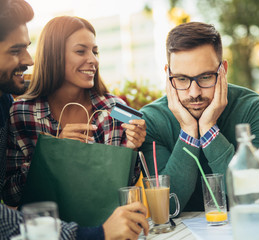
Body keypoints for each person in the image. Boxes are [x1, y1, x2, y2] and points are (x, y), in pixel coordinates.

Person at [0, 1, 149, 239]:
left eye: (95, 51)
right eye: (81, 51)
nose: (93, 60)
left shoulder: (114, 110)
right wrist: (51, 153)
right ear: (54, 55)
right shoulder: (21, 113)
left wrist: (130, 151)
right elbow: (11, 194)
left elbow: (123, 190)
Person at [140, 22, 259, 212]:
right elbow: (166, 208)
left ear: (223, 70)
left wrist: (209, 128)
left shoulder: (253, 109)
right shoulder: (152, 120)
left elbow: (253, 197)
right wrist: (188, 132)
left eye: (205, 77)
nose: (194, 93)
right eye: (181, 79)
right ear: (168, 74)